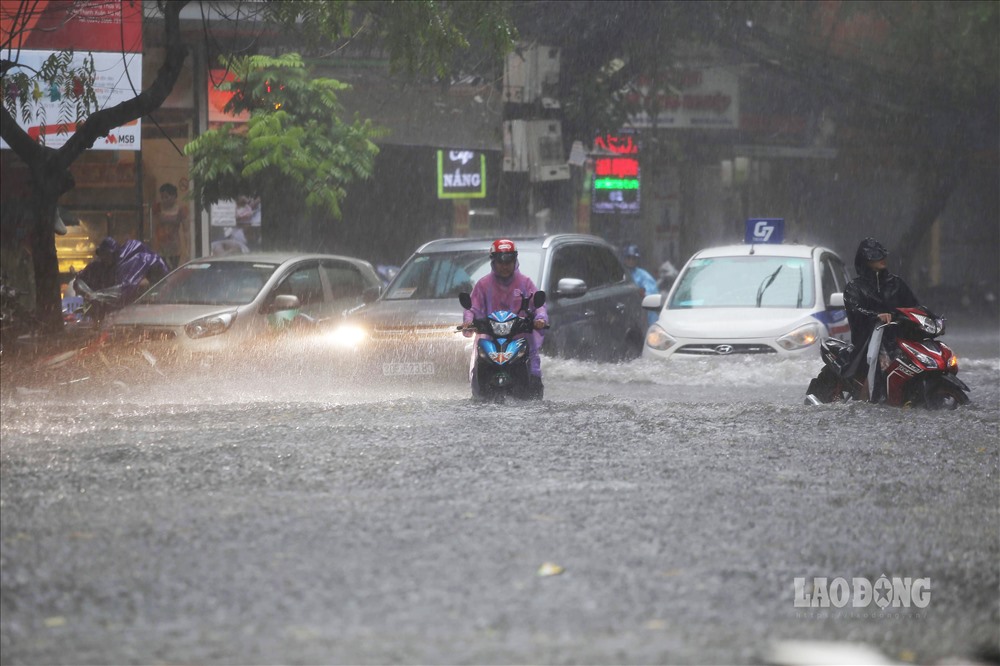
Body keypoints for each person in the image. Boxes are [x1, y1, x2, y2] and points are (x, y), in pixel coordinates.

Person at [463, 238, 548, 399]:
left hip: (520, 339)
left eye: (509, 261)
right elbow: (472, 308)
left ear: (515, 260)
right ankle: (479, 395)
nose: (504, 266)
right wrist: (468, 322)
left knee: (533, 368)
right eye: (500, 261)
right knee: (478, 367)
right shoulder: (482, 285)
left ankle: (533, 395)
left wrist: (540, 318)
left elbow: (539, 305)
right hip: (490, 339)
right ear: (493, 262)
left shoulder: (525, 283)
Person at [842, 237, 921, 398]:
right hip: (869, 344)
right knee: (877, 374)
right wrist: (876, 316)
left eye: (882, 255)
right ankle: (867, 402)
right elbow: (856, 310)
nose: (882, 259)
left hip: (900, 340)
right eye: (875, 256)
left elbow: (914, 307)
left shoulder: (897, 284)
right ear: (865, 261)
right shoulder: (854, 288)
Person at [75, 237, 170, 320]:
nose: (105, 258)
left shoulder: (130, 265)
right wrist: (87, 292)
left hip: (130, 308)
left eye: (107, 255)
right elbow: (79, 281)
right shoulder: (97, 267)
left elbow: (125, 289)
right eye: (103, 255)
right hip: (103, 309)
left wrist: (99, 295)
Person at [152, 183, 190, 269]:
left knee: (172, 271)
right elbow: (153, 228)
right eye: (162, 197)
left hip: (175, 248)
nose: (164, 200)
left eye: (167, 197)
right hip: (160, 247)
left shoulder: (181, 210)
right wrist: (154, 245)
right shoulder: (157, 208)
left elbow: (186, 231)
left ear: (174, 196)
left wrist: (187, 249)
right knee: (162, 272)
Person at [623, 244, 659, 326]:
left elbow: (651, 296)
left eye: (633, 258)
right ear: (624, 259)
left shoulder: (644, 276)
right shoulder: (620, 274)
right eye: (628, 258)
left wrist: (642, 294)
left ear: (637, 260)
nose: (631, 261)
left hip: (643, 315)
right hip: (627, 315)